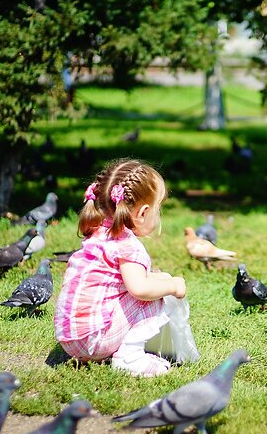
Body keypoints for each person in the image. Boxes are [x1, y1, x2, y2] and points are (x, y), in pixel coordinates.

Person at [54, 158, 188, 376]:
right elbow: (140, 289)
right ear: (143, 212)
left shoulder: (99, 233)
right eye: (158, 207)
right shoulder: (127, 245)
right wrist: (173, 286)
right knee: (155, 292)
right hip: (93, 340)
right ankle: (130, 357)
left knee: (156, 280)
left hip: (70, 339)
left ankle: (123, 348)